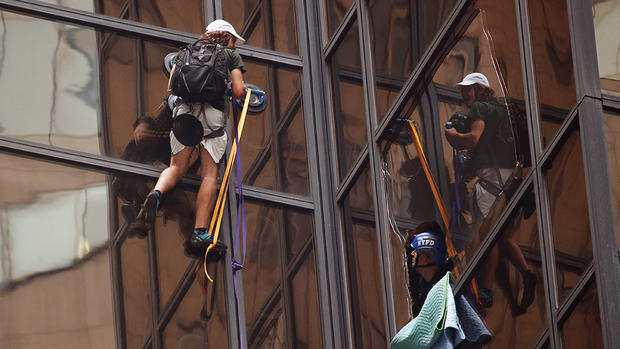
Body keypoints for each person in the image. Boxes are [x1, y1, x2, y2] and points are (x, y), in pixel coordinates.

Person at [142, 19, 247, 258]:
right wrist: (231, 89)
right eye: (234, 41)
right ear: (229, 38)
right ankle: (200, 232)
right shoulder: (230, 56)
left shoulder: (186, 51)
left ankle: (156, 193)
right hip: (212, 116)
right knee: (209, 175)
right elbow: (239, 91)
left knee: (176, 167)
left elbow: (171, 87)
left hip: (184, 115)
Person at [444, 72, 536, 310]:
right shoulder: (502, 112)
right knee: (500, 236)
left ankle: (485, 290)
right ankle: (526, 273)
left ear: (480, 89)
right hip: (512, 182)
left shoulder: (480, 109)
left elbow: (473, 138)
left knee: (487, 237)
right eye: (463, 90)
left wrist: (454, 136)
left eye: (468, 89)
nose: (464, 94)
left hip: (491, 183)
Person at [406, 221, 453, 317]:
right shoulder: (422, 283)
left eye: (416, 251)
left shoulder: (442, 290)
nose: (412, 254)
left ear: (428, 259)